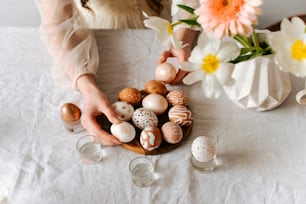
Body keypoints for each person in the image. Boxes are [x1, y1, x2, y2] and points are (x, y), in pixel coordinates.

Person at [35, 0, 199, 145]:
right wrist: (87, 85)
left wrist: (181, 40)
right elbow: (56, 24)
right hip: (97, 38)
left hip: (157, 28)